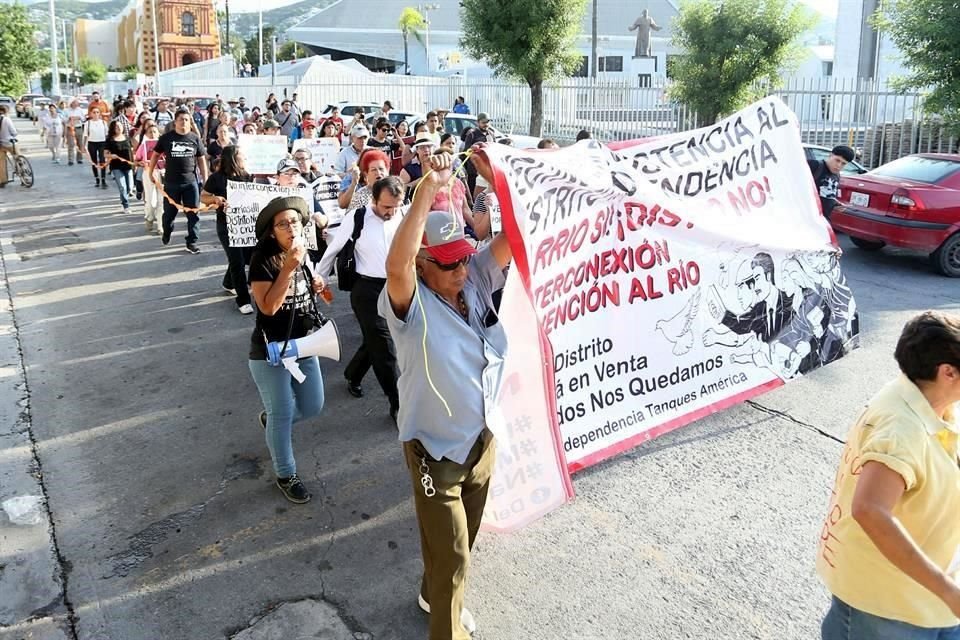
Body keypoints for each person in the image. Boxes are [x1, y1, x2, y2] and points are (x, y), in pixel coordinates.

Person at [379, 151, 511, 639]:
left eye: (463, 258)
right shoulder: (407, 305)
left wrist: (497, 182)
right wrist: (426, 193)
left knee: (463, 540)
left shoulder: (473, 277)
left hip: (481, 439)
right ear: (422, 260)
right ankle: (446, 626)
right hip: (434, 452)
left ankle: (431, 592)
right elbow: (396, 264)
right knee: (453, 553)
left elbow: (515, 238)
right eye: (448, 263)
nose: (461, 271)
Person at [817, 311, 960, 640]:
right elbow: (870, 510)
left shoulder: (930, 401)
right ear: (947, 372)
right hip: (887, 610)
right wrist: (948, 591)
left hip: (932, 600)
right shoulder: (901, 429)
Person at [248, 196, 328, 504]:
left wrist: (316, 281)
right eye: (283, 224)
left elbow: (308, 294)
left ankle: (272, 424)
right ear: (272, 232)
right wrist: (290, 266)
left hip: (306, 343)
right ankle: (286, 473)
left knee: (312, 406)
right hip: (271, 351)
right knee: (282, 413)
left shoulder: (302, 252)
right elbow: (268, 307)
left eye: (295, 221)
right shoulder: (263, 259)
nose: (291, 228)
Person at [317, 176, 405, 418]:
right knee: (385, 346)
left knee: (375, 341)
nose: (391, 212)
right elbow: (333, 250)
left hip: (399, 286)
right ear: (374, 199)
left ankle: (353, 373)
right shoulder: (357, 217)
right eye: (387, 206)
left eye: (396, 206)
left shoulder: (403, 214)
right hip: (367, 290)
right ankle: (398, 404)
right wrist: (320, 278)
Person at [200, 145, 255, 315]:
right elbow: (203, 197)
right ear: (232, 158)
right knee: (237, 262)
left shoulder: (248, 176)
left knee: (243, 257)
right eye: (241, 155)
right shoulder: (217, 178)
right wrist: (215, 199)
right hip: (226, 226)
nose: (244, 158)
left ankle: (228, 283)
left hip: (245, 224)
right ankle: (243, 300)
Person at [149, 107, 209, 254]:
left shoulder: (195, 138)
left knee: (193, 214)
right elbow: (155, 155)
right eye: (181, 119)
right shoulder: (167, 138)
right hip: (171, 183)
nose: (184, 122)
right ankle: (167, 231)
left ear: (190, 122)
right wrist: (151, 172)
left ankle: (192, 241)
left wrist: (205, 178)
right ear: (175, 122)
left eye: (187, 119)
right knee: (169, 214)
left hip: (191, 182)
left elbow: (201, 160)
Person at [809, 145, 855, 218]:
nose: (839, 165)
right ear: (830, 155)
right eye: (837, 160)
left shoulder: (837, 175)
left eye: (843, 163)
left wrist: (835, 205)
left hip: (824, 219)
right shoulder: (814, 165)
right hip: (807, 218)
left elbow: (828, 196)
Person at [135, 122, 163, 234]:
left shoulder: (164, 145)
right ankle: (150, 217)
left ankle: (161, 225)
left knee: (162, 200)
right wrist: (140, 163)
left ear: (158, 133)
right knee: (151, 200)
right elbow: (136, 160)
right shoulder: (143, 146)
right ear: (146, 134)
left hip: (162, 173)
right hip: (148, 172)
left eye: (154, 131)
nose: (152, 134)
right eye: (150, 132)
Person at [104, 119, 135, 215]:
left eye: (120, 126)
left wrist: (135, 163)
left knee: (129, 187)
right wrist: (111, 156)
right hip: (116, 166)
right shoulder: (110, 140)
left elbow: (132, 151)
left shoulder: (127, 138)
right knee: (122, 187)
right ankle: (126, 205)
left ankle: (124, 197)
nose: (119, 128)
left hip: (128, 165)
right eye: (116, 127)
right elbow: (105, 154)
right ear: (113, 128)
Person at [462, 113, 496, 195]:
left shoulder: (491, 134)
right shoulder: (472, 134)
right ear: (478, 122)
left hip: (488, 170)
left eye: (487, 122)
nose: (486, 125)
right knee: (474, 195)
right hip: (474, 170)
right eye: (483, 122)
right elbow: (466, 152)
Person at [82, 107, 109, 188]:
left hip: (102, 143)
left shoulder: (103, 122)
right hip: (92, 143)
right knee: (94, 161)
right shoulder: (88, 123)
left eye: (97, 112)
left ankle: (103, 180)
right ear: (91, 114)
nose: (96, 114)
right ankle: (97, 179)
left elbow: (107, 135)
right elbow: (85, 135)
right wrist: (83, 146)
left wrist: (108, 146)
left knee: (102, 161)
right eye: (94, 112)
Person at [0, 105, 18, 188]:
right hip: (9, 143)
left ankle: (3, 180)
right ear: (6, 111)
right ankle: (22, 174)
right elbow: (14, 132)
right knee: (17, 157)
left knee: (1, 163)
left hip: (0, 144)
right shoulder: (6, 119)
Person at [64, 98, 86, 166]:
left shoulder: (80, 110)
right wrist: (70, 118)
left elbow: (84, 119)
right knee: (71, 144)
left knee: (80, 144)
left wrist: (78, 117)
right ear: (72, 103)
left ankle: (79, 159)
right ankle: (71, 160)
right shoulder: (66, 110)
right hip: (70, 129)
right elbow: (63, 119)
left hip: (78, 128)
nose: (77, 103)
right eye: (75, 102)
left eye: (77, 102)